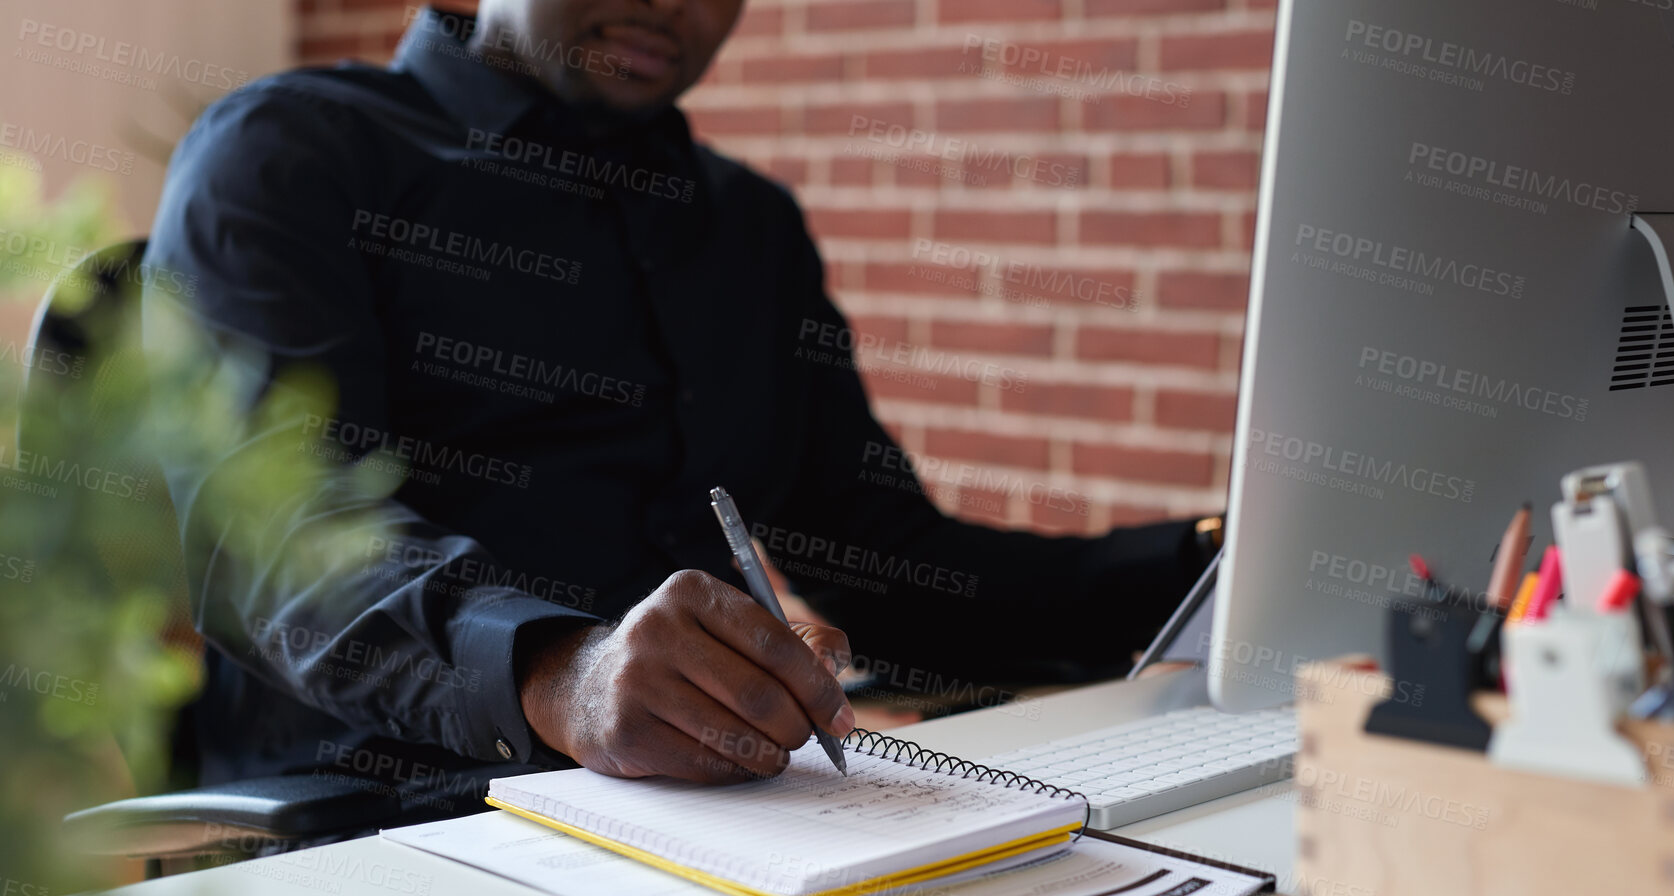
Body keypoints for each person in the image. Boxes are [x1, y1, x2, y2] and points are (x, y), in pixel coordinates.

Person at [144, 1, 1217, 791]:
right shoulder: (291, 152)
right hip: (377, 817)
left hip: (700, 818)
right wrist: (560, 671)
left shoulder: (747, 227)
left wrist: (1213, 562)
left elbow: (888, 565)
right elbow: (275, 538)